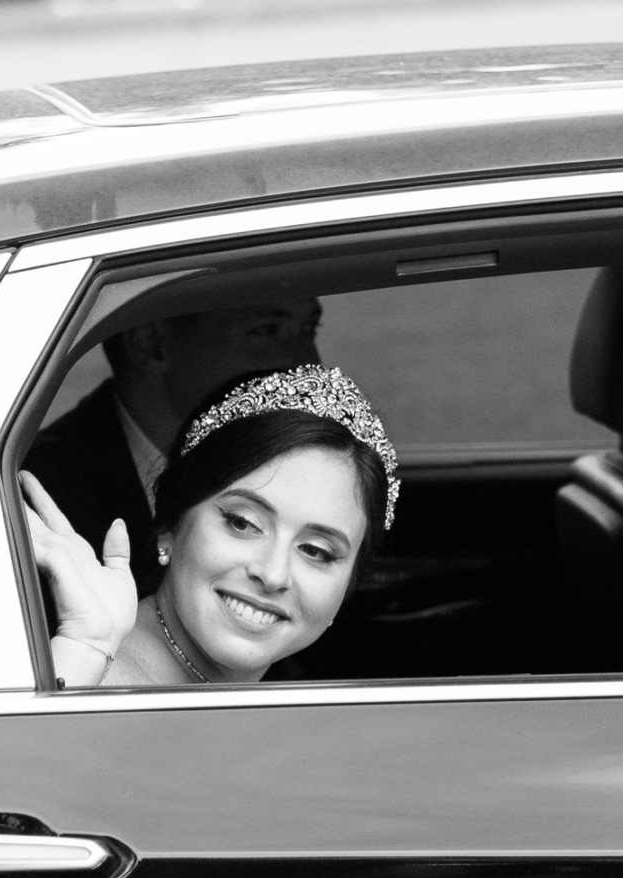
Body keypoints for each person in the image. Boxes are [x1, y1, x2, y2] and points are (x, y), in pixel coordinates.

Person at [21, 366, 397, 690]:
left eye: (316, 551)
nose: (272, 574)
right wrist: (83, 650)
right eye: (243, 523)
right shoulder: (85, 678)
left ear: (348, 585)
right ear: (169, 523)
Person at [22, 295, 322, 571]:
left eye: (309, 329)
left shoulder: (313, 471)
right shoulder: (40, 502)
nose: (307, 365)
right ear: (151, 344)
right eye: (267, 331)